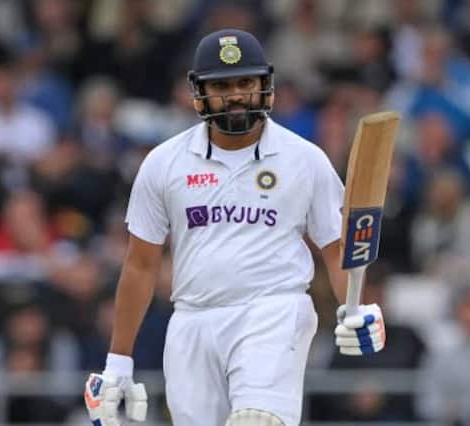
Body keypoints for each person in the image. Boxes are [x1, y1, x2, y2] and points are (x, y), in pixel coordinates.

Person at [83, 29, 386, 426]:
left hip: (273, 311)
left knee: (256, 420)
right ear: (199, 93)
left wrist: (355, 307)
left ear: (265, 86)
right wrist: (118, 362)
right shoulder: (164, 163)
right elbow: (140, 265)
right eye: (222, 86)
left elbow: (336, 248)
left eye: (246, 82)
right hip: (192, 321)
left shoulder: (304, 159)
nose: (237, 95)